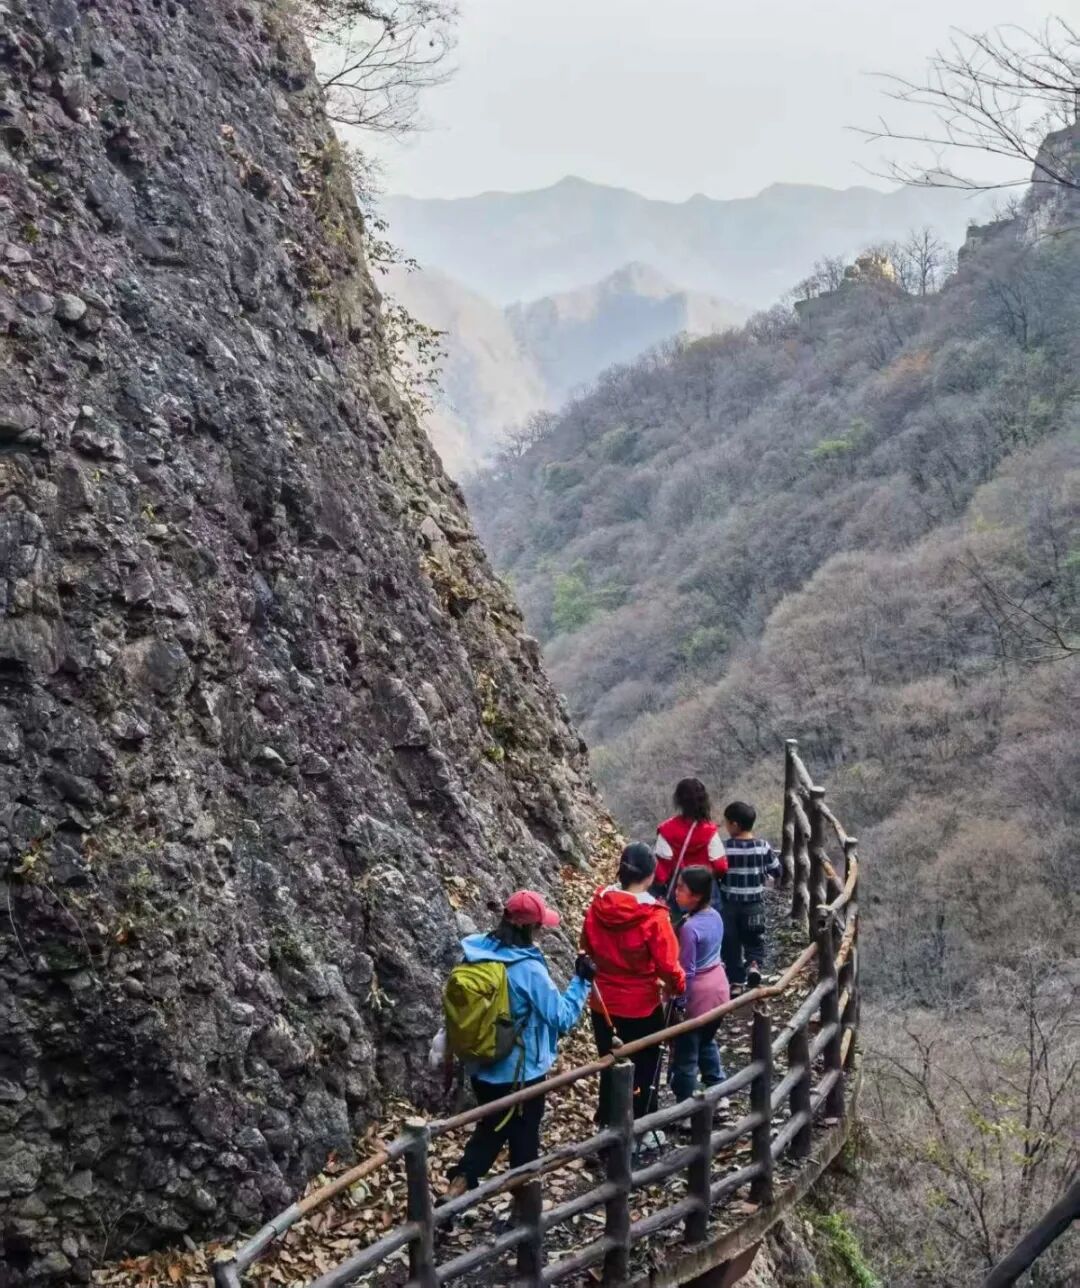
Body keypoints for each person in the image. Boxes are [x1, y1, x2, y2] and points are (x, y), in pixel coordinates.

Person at [443, 890, 595, 1198]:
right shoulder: (528, 969)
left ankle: (456, 1189)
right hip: (521, 1075)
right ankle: (526, 1210)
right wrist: (582, 981)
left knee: (491, 1128)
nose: (542, 931)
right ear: (530, 927)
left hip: (482, 1067)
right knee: (524, 1143)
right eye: (540, 926)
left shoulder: (476, 952)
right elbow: (562, 1018)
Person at [581, 843, 686, 1127]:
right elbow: (668, 965)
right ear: (651, 875)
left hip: (603, 1002)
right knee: (644, 1066)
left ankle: (607, 1121)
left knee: (609, 1061)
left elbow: (586, 947)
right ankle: (639, 1124)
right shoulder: (654, 916)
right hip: (641, 1004)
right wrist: (678, 985)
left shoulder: (598, 906)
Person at [670, 867, 730, 1105]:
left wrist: (680, 1003)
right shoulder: (715, 916)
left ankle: (684, 1108)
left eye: (681, 888)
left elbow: (687, 971)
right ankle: (719, 1092)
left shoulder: (690, 928)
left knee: (686, 1055)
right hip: (720, 990)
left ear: (696, 896)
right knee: (706, 1042)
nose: (676, 892)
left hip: (699, 996)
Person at [717, 800, 782, 991]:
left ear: (735, 824)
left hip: (729, 904)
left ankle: (736, 982)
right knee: (754, 939)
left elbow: (717, 871)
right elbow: (777, 870)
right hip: (754, 904)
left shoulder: (724, 847)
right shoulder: (762, 846)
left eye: (727, 823)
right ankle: (754, 966)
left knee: (731, 943)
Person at [653, 778, 728, 903]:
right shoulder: (710, 830)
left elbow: (661, 873)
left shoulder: (666, 829)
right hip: (706, 892)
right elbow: (720, 867)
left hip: (678, 892)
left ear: (678, 800)